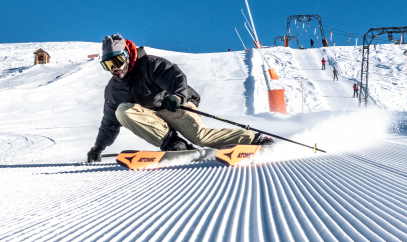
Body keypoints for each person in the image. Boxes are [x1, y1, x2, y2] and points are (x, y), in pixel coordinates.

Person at [87, 34, 273, 162]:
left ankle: (255, 139)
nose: (114, 68)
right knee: (122, 111)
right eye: (108, 65)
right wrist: (98, 147)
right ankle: (175, 143)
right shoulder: (113, 89)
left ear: (127, 56)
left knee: (201, 137)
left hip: (174, 106)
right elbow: (109, 122)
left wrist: (177, 96)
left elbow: (175, 78)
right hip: (153, 118)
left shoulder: (150, 64)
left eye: (117, 61)